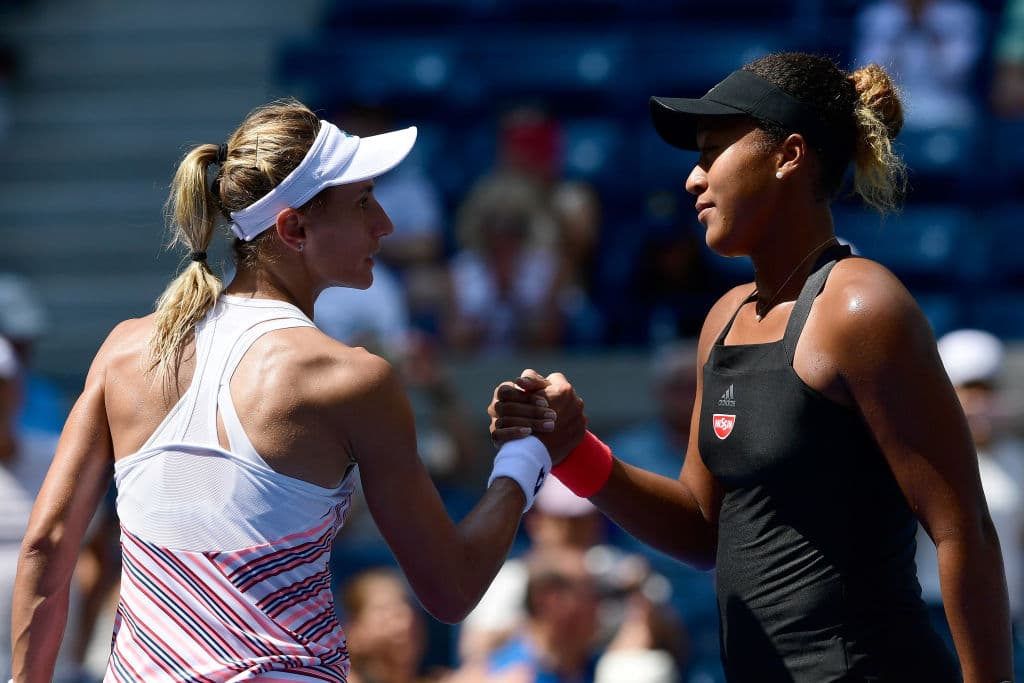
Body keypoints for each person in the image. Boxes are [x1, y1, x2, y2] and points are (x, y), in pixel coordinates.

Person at [10, 98, 586, 681]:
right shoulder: (352, 380)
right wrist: (527, 455)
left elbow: (45, 548)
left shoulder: (123, 350)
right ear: (293, 228)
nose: (384, 224)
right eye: (362, 203)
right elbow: (452, 590)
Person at [490, 53, 1012, 681]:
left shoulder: (862, 308)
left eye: (712, 153)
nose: (692, 179)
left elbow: (963, 530)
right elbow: (702, 530)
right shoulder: (724, 319)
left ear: (789, 155)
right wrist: (573, 449)